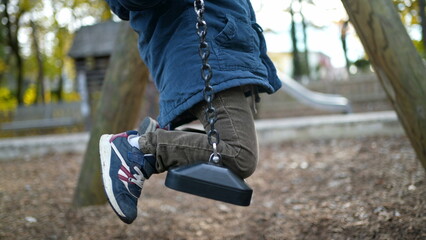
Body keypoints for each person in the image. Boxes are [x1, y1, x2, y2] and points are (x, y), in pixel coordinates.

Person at [100, 0, 282, 224]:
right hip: (207, 51)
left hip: (221, 46)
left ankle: (152, 142)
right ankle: (140, 150)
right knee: (239, 154)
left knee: (237, 151)